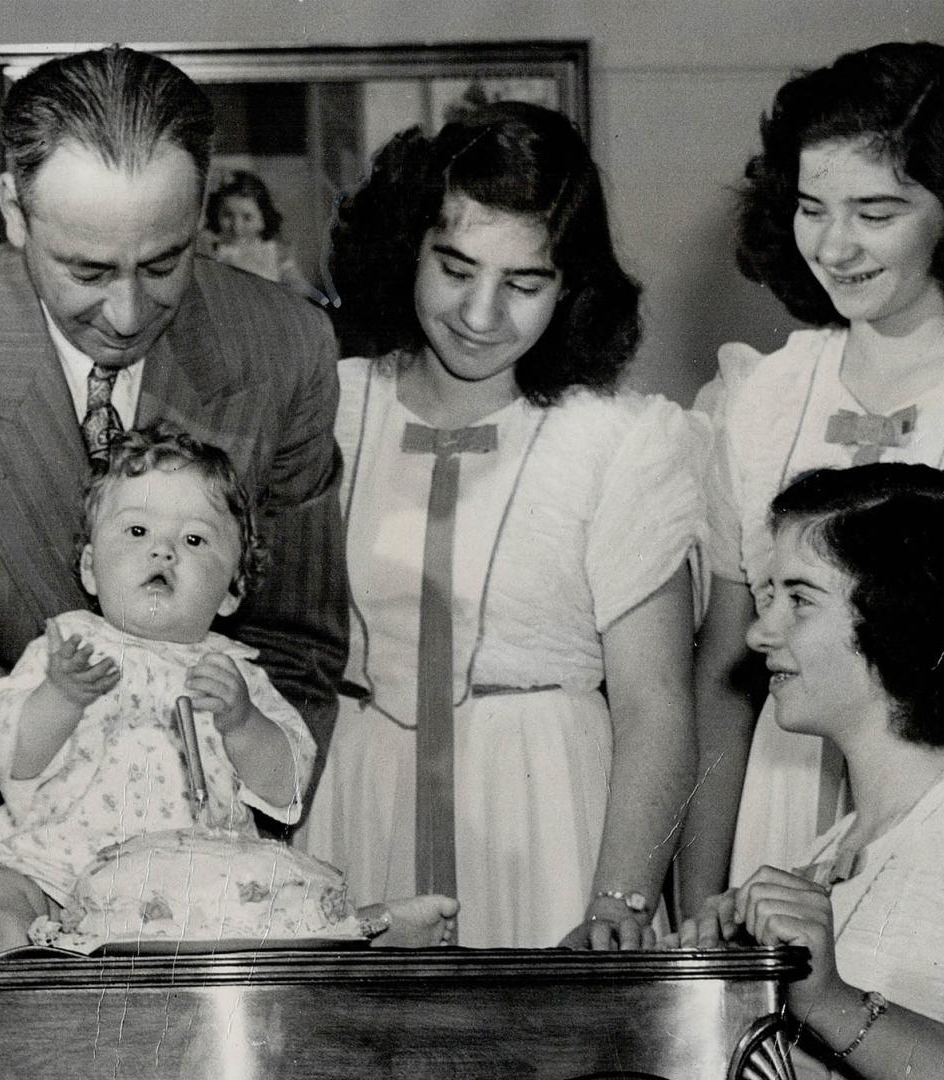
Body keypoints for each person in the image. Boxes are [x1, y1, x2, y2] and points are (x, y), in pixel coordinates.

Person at [0, 45, 349, 958]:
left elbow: (296, 647)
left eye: (164, 263)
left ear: (201, 208)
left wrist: (208, 871)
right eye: (86, 271)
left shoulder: (283, 348)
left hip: (193, 888)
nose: (126, 314)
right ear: (14, 208)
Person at [298, 103, 704, 949]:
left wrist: (617, 904)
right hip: (356, 808)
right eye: (454, 268)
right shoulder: (328, 404)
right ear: (407, 246)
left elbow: (655, 703)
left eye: (524, 284)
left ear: (571, 287)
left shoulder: (619, 441)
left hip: (552, 818)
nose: (482, 314)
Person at [681, 42, 944, 912]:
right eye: (812, 208)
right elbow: (723, 672)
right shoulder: (760, 394)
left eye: (876, 212)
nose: (834, 245)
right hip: (778, 813)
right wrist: (702, 892)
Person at [0, 424, 315, 957]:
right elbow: (11, 756)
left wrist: (243, 723)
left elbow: (288, 789)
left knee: (274, 900)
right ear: (90, 567)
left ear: (232, 590)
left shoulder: (237, 677)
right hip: (57, 872)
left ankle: (361, 932)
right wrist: (62, 696)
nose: (163, 552)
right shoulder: (65, 650)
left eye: (194, 540)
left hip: (193, 893)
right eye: (137, 532)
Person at [668, 464, 944, 1078]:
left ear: (900, 616)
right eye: (768, 597)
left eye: (800, 600)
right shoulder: (833, 848)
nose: (760, 633)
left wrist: (834, 1006)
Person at [202, 170, 314, 296]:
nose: (236, 226)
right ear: (216, 213)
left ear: (263, 219)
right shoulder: (213, 250)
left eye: (247, 217)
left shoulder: (276, 252)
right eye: (227, 215)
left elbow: (299, 287)